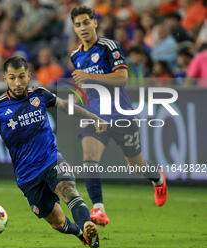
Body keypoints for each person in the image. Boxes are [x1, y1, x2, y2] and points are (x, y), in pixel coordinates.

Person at [0, 56, 107, 248]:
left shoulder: (40, 94)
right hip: (27, 175)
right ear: (5, 78)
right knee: (57, 222)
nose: (18, 82)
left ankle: (86, 224)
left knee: (69, 191)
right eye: (13, 77)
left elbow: (66, 106)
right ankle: (80, 233)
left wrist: (93, 118)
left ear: (29, 75)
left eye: (22, 76)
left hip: (51, 160)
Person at [69, 6, 168, 227]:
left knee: (137, 166)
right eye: (78, 25)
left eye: (86, 22)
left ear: (95, 23)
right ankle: (98, 209)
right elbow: (83, 84)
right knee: (89, 156)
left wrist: (90, 75)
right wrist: (76, 99)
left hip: (120, 115)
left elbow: (122, 78)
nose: (83, 28)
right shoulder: (76, 56)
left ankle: (158, 178)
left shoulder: (109, 47)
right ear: (74, 29)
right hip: (95, 116)